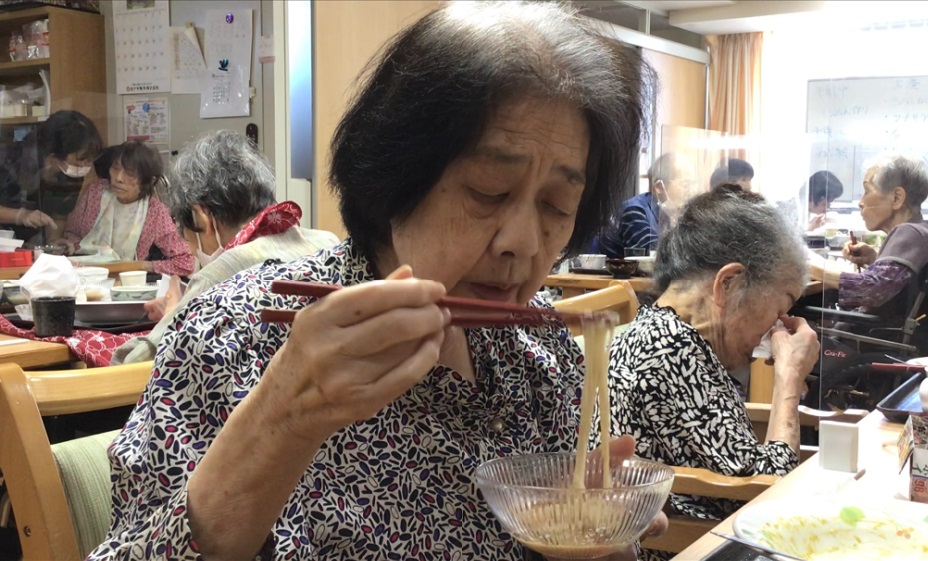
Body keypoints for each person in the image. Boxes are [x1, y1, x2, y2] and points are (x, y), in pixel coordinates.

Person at [88, 3, 667, 560]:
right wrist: (282, 419)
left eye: (557, 204)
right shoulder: (237, 335)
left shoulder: (541, 349)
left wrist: (592, 542)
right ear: (395, 178)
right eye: (488, 191)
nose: (523, 241)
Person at [611, 185, 819, 561]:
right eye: (782, 306)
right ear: (729, 283)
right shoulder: (673, 351)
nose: (779, 325)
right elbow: (770, 495)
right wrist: (789, 378)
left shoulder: (668, 333)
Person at [111, 130, 339, 365]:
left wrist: (173, 317)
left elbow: (130, 364)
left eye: (186, 236)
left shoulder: (219, 276)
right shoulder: (328, 244)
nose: (190, 249)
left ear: (201, 217)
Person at [809, 155, 928, 323]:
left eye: (866, 191)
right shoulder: (921, 230)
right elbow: (901, 283)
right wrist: (873, 258)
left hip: (870, 342)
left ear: (896, 198)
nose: (860, 202)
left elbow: (869, 291)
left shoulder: (909, 232)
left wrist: (808, 268)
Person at [58, 140, 194, 276]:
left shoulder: (155, 212)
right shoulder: (95, 193)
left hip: (128, 280)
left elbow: (186, 262)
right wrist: (72, 247)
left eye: (129, 173)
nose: (118, 178)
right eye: (116, 168)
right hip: (84, 275)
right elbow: (71, 233)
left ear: (149, 181)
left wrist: (141, 266)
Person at [0, 110, 102, 241]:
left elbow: (59, 214)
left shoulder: (72, 173)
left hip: (32, 244)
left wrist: (54, 241)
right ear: (54, 156)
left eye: (90, 159)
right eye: (82, 159)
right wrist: (20, 215)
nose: (86, 165)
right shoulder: (10, 160)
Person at [598, 152, 695, 258]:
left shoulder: (675, 212)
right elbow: (653, 252)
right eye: (685, 184)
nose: (690, 191)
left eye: (692, 184)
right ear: (659, 187)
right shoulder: (635, 210)